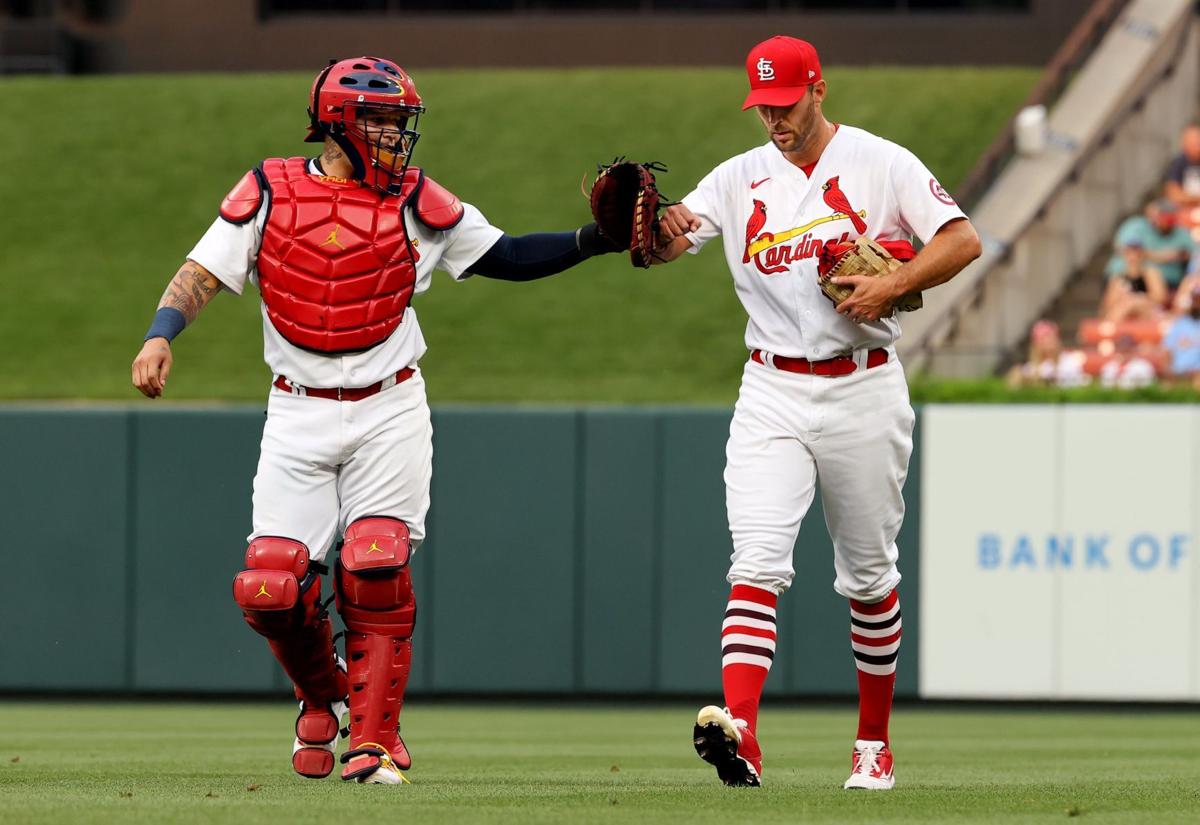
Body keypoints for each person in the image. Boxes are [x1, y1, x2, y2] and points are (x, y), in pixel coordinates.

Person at [130, 56, 619, 785]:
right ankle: (320, 688)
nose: (398, 136)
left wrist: (595, 239)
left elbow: (506, 255)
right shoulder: (269, 188)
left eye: (399, 122)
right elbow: (202, 270)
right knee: (269, 585)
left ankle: (374, 739)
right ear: (341, 124)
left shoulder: (418, 200)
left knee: (376, 561)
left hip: (388, 405)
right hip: (296, 407)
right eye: (384, 121)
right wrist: (161, 331)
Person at [652, 36, 981, 790]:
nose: (774, 118)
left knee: (868, 575)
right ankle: (744, 735)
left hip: (864, 385)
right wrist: (646, 228)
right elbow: (677, 237)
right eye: (762, 106)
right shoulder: (739, 178)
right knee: (757, 559)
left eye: (786, 102)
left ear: (819, 89)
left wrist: (894, 283)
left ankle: (873, 741)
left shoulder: (881, 161)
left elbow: (963, 238)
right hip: (771, 386)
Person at [1105, 199, 1193, 289]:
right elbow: (1129, 250)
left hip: (1169, 282)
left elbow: (1193, 254)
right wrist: (1164, 256)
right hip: (1128, 277)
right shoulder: (1136, 225)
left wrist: (1183, 255)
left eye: (1169, 218)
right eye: (1161, 215)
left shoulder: (1181, 232)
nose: (1165, 222)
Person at [1005, 320, 1089, 389]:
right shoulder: (1030, 368)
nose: (1049, 343)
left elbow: (1079, 382)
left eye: (1051, 339)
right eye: (1044, 340)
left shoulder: (1070, 361)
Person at [1100, 242, 1167, 322]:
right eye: (1129, 252)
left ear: (1143, 254)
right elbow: (1107, 306)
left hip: (1148, 312)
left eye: (1136, 252)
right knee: (1123, 307)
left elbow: (1160, 298)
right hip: (1125, 314)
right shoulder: (1118, 279)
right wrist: (1122, 298)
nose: (1133, 256)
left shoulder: (1150, 274)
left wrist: (1136, 298)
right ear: (1124, 255)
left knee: (1131, 304)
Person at [1164, 284, 1200, 386]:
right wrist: (1169, 371)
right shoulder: (1180, 323)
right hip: (1180, 373)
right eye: (1195, 300)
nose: (1197, 304)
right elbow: (1167, 351)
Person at [1163, 124, 1200, 217]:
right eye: (1192, 141)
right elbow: (1173, 193)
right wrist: (1193, 199)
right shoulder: (1178, 163)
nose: (1196, 145)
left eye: (1197, 140)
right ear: (1183, 143)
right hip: (1185, 212)